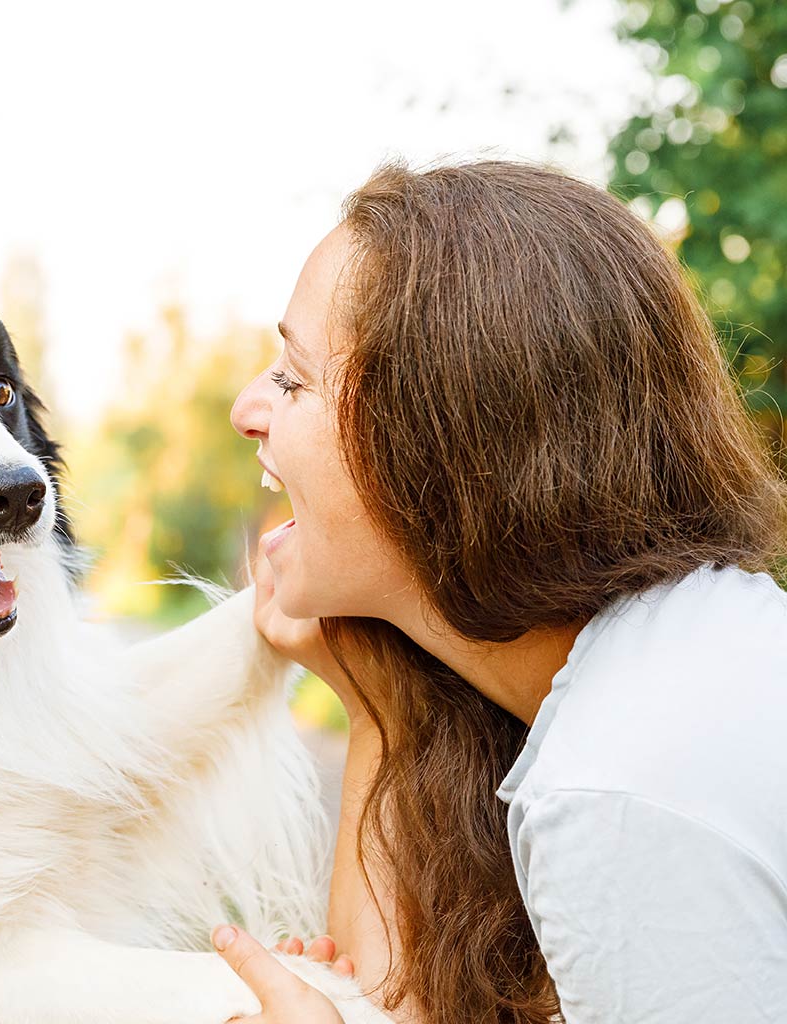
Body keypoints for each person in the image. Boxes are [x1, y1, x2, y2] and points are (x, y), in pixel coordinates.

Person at [213, 160, 787, 1024]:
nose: (246, 408)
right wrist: (376, 701)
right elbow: (389, 1002)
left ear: (436, 451)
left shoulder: (618, 793)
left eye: (294, 379)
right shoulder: (662, 666)